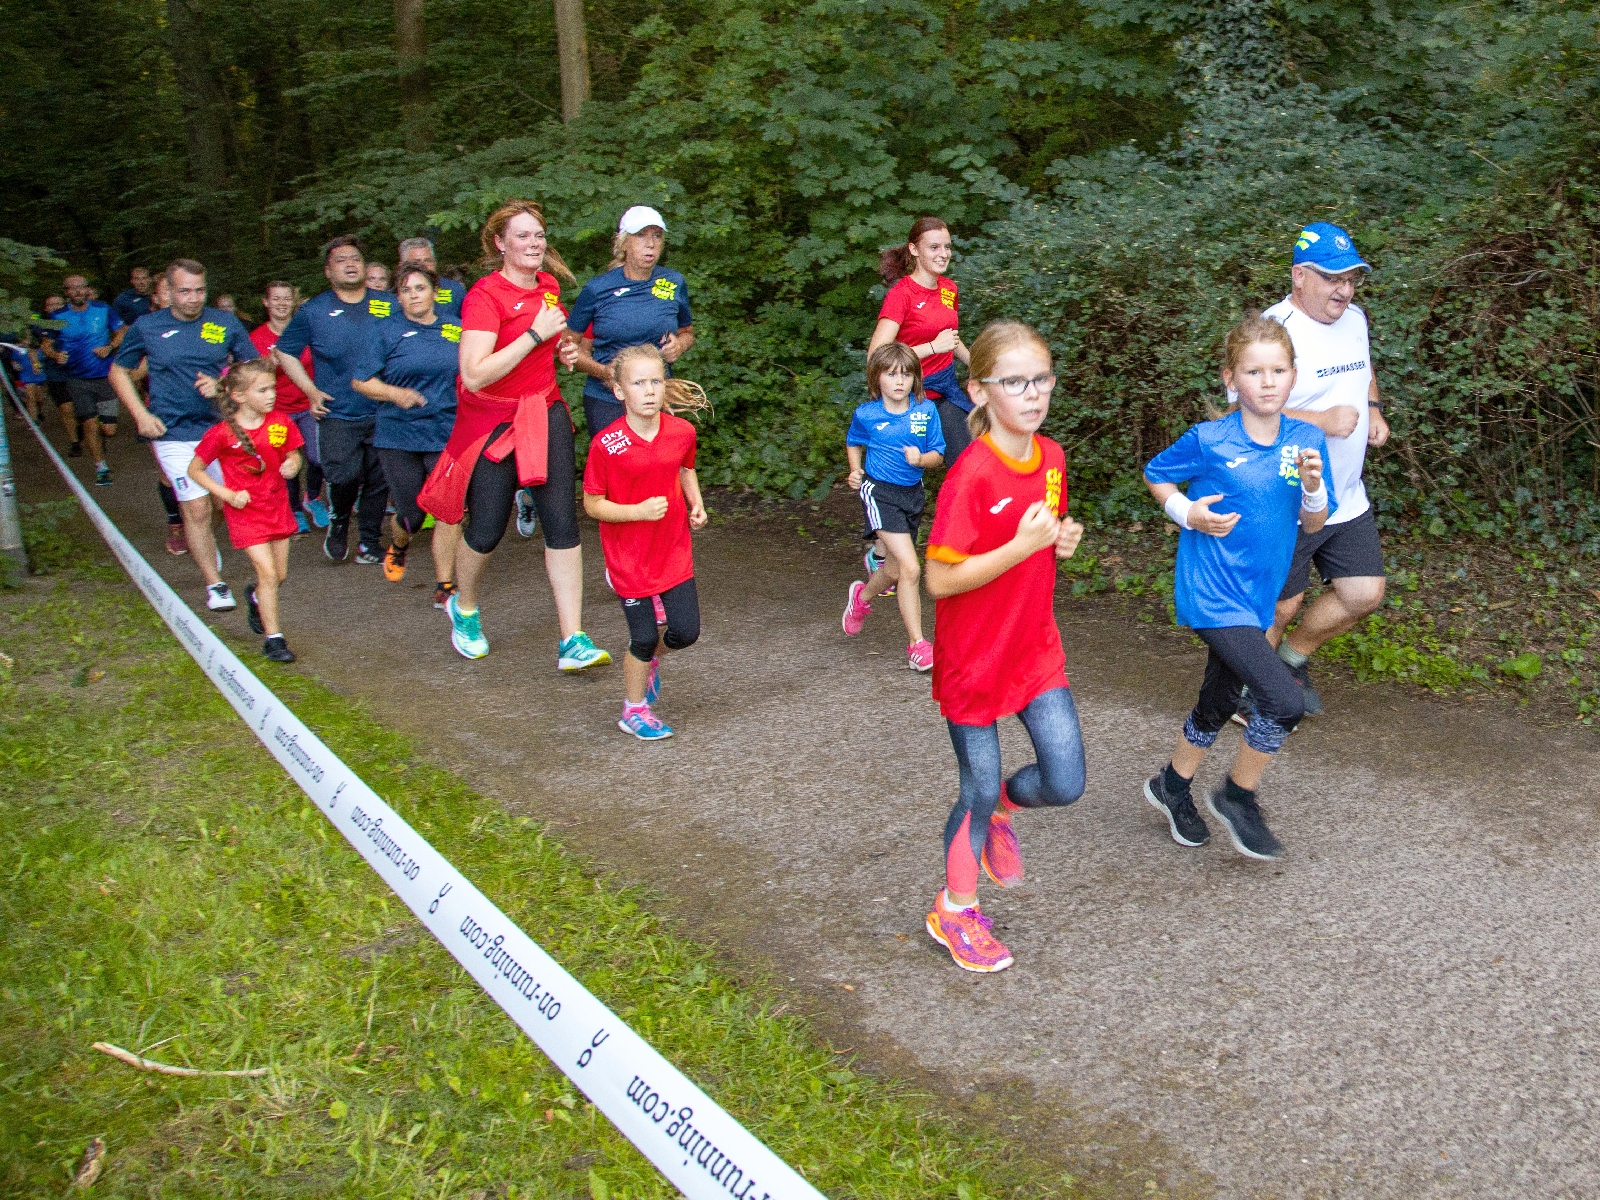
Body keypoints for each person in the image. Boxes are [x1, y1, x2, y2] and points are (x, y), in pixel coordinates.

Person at [921, 321, 1086, 973]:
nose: (1034, 393)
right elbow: (939, 577)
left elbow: (1047, 529)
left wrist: (1059, 539)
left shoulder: (1052, 457)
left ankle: (1002, 812)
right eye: (1015, 382)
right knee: (976, 787)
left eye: (1042, 378)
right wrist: (1019, 546)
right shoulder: (971, 475)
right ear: (980, 392)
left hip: (1034, 648)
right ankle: (955, 910)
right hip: (973, 663)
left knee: (1067, 780)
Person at [1142, 316, 1333, 861]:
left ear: (1294, 377)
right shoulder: (1210, 439)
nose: (1268, 381)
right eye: (1254, 371)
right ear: (1232, 379)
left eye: (1278, 370)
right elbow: (1156, 473)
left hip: (1258, 595)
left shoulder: (1306, 441)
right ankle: (1237, 795)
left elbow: (1315, 525)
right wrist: (1187, 513)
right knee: (1282, 699)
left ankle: (1171, 786)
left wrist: (1315, 489)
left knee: (1220, 698)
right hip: (1210, 593)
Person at [418, 199, 611, 671]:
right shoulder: (484, 297)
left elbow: (549, 335)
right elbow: (475, 373)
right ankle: (463, 608)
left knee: (562, 523)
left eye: (539, 235)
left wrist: (561, 345)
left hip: (544, 411)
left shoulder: (547, 286)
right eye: (522, 236)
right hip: (493, 422)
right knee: (486, 529)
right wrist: (532, 337)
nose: (533, 243)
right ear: (500, 244)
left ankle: (573, 639)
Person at [1247, 222, 1390, 717]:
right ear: (1299, 276)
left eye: (1350, 278)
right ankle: (1251, 690)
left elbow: (1364, 368)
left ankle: (1288, 662)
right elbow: (1244, 411)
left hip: (1345, 495)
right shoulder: (1272, 332)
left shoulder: (1354, 319)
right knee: (1281, 606)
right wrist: (1323, 420)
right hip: (1287, 498)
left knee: (1363, 592)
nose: (1344, 290)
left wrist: (1372, 408)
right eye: (1332, 279)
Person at [109, 258, 259, 610]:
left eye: (200, 290)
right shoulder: (148, 326)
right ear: (168, 292)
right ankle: (215, 584)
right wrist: (141, 415)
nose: (193, 298)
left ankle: (204, 543)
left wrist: (223, 384)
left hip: (221, 428)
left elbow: (255, 368)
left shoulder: (224, 322)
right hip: (173, 431)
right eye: (185, 291)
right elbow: (118, 372)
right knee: (195, 510)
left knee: (222, 503)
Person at [582, 344, 709, 739]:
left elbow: (685, 468)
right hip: (629, 556)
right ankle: (634, 709)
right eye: (639, 383)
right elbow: (592, 504)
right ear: (620, 392)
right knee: (642, 636)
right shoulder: (607, 444)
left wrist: (697, 503)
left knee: (685, 632)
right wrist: (637, 511)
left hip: (672, 548)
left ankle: (652, 661)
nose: (650, 390)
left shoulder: (681, 432)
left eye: (656, 381)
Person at [273, 236, 396, 564]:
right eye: (341, 260)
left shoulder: (387, 303)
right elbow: (285, 352)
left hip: (384, 410)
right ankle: (339, 519)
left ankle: (369, 542)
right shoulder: (313, 311)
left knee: (378, 480)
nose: (350, 264)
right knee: (343, 476)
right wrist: (310, 391)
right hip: (338, 411)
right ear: (329, 271)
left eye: (355, 258)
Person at [351, 262, 462, 606]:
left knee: (447, 509)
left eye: (420, 288)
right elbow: (360, 381)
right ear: (397, 296)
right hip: (399, 434)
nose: (414, 295)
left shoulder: (456, 329)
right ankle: (399, 544)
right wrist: (395, 394)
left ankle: (445, 585)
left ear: (434, 291)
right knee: (412, 513)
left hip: (446, 429)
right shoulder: (384, 331)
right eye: (405, 290)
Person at [187, 357, 303, 663]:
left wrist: (293, 463)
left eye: (272, 389)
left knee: (278, 576)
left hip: (276, 507)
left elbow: (292, 453)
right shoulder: (222, 433)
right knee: (266, 572)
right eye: (263, 390)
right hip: (245, 511)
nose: (271, 395)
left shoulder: (281, 423)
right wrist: (226, 493)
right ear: (238, 396)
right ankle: (274, 639)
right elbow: (195, 470)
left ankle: (255, 597)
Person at [841, 341, 944, 671]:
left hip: (912, 494)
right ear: (877, 379)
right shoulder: (867, 414)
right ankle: (918, 645)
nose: (899, 381)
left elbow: (938, 455)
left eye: (906, 374)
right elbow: (853, 441)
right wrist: (855, 470)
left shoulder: (925, 412)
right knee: (912, 569)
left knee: (897, 569)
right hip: (879, 492)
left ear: (916, 379)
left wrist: (921, 458)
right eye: (891, 374)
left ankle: (862, 598)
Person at [250, 281, 327, 532]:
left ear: (294, 301)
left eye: (286, 299)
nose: (282, 304)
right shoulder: (257, 337)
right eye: (276, 299)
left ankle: (312, 497)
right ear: (266, 302)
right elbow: (249, 376)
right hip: (276, 410)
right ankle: (293, 510)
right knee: (286, 462)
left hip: (307, 404)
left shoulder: (307, 330)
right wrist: (271, 361)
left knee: (317, 457)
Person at [52, 274, 125, 484]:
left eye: (81, 287)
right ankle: (101, 467)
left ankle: (98, 439)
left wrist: (110, 346)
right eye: (72, 288)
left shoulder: (103, 309)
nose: (77, 291)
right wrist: (55, 354)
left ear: (87, 289)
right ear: (66, 292)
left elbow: (122, 330)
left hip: (105, 377)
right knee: (90, 423)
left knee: (109, 430)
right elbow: (47, 343)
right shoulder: (57, 316)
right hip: (77, 379)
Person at [398, 237, 464, 319]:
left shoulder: (455, 289)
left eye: (427, 260)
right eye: (416, 262)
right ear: (402, 265)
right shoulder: (395, 291)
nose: (424, 266)